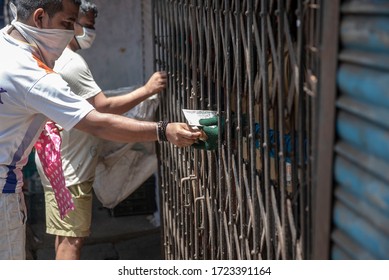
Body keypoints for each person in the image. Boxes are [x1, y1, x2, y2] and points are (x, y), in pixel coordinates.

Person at [0, 0, 201, 260]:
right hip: (24, 183)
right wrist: (164, 130)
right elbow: (98, 119)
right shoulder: (36, 74)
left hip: (50, 167)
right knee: (71, 241)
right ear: (39, 18)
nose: (72, 32)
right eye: (67, 23)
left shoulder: (5, 43)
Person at [33, 0, 167, 260]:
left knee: (64, 235)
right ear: (71, 22)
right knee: (73, 242)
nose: (89, 32)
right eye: (85, 25)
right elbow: (103, 107)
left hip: (56, 162)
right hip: (70, 170)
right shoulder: (72, 62)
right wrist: (147, 91)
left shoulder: (52, 55)